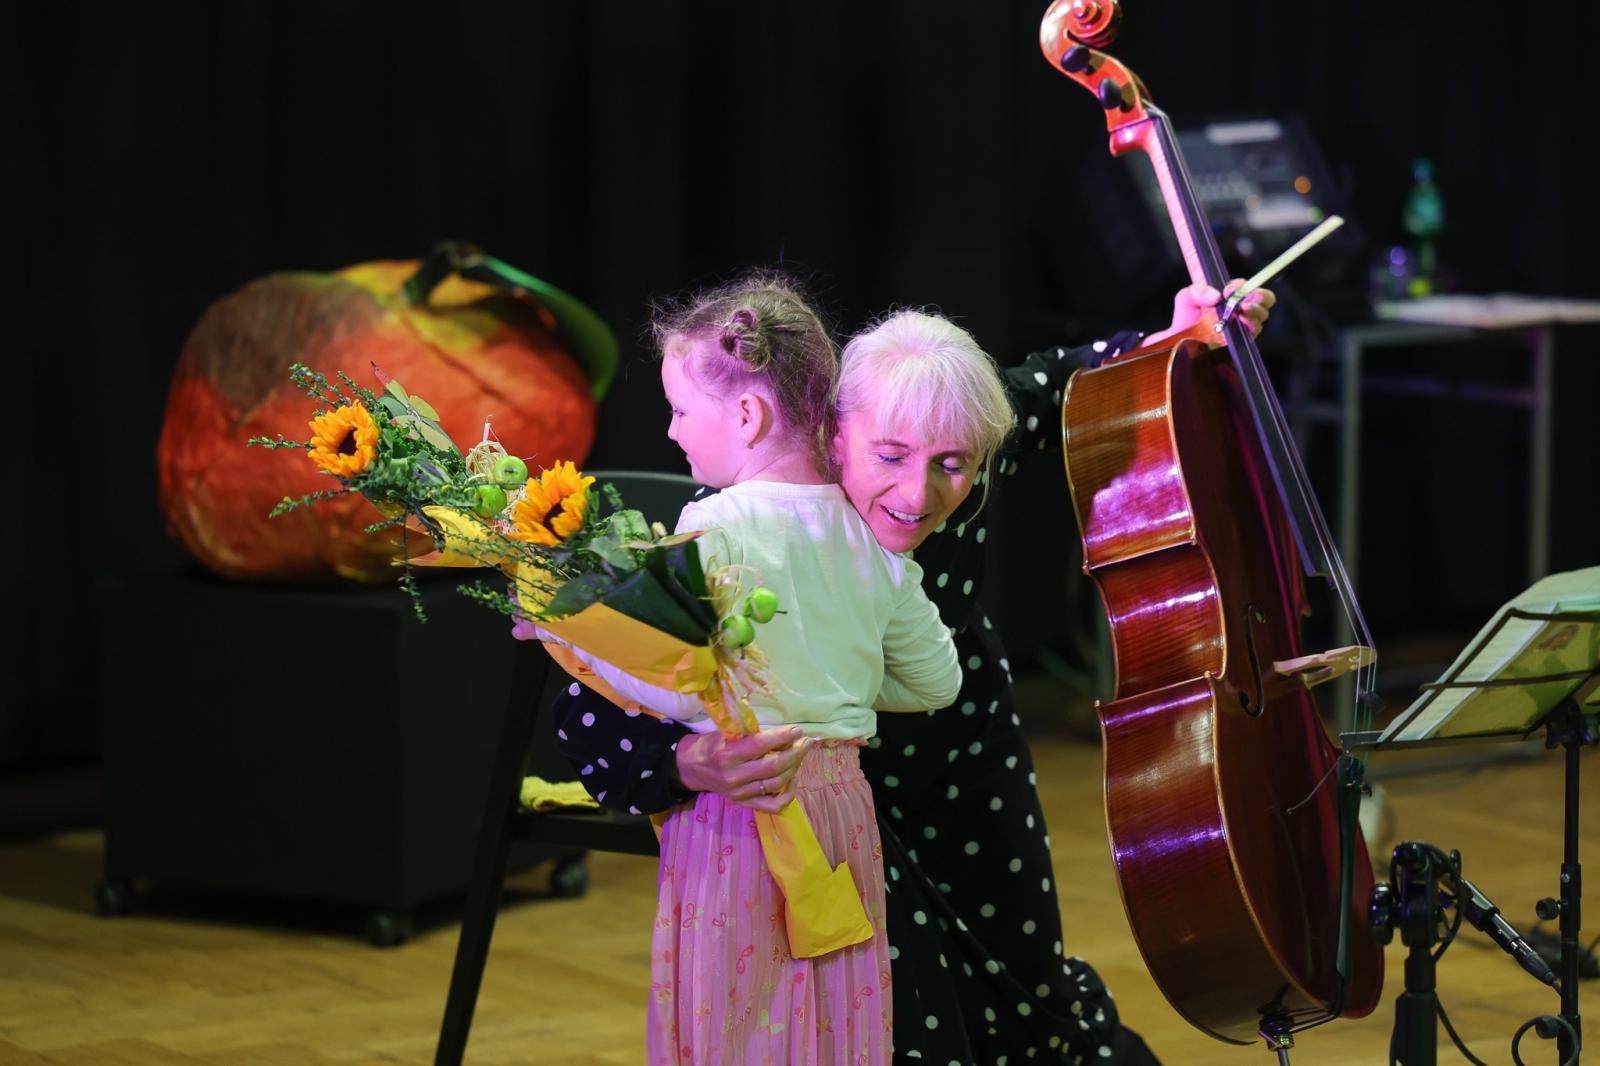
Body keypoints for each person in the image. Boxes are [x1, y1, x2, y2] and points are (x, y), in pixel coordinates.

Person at [551, 279, 1274, 1063]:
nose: (919, 491)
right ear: (831, 432)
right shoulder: (745, 525)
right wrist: (691, 762)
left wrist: (1171, 339)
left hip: (962, 753)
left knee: (1025, 984)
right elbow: (598, 698)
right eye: (890, 456)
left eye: (952, 465)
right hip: (813, 794)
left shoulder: (950, 430)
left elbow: (1055, 382)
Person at [527, 273, 965, 1065]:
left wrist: (574, 633)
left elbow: (669, 679)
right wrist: (846, 689)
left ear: (747, 414)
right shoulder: (872, 536)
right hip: (841, 807)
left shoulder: (714, 524)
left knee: (733, 1022)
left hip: (742, 814)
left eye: (681, 410)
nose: (670, 431)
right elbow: (939, 682)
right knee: (834, 1017)